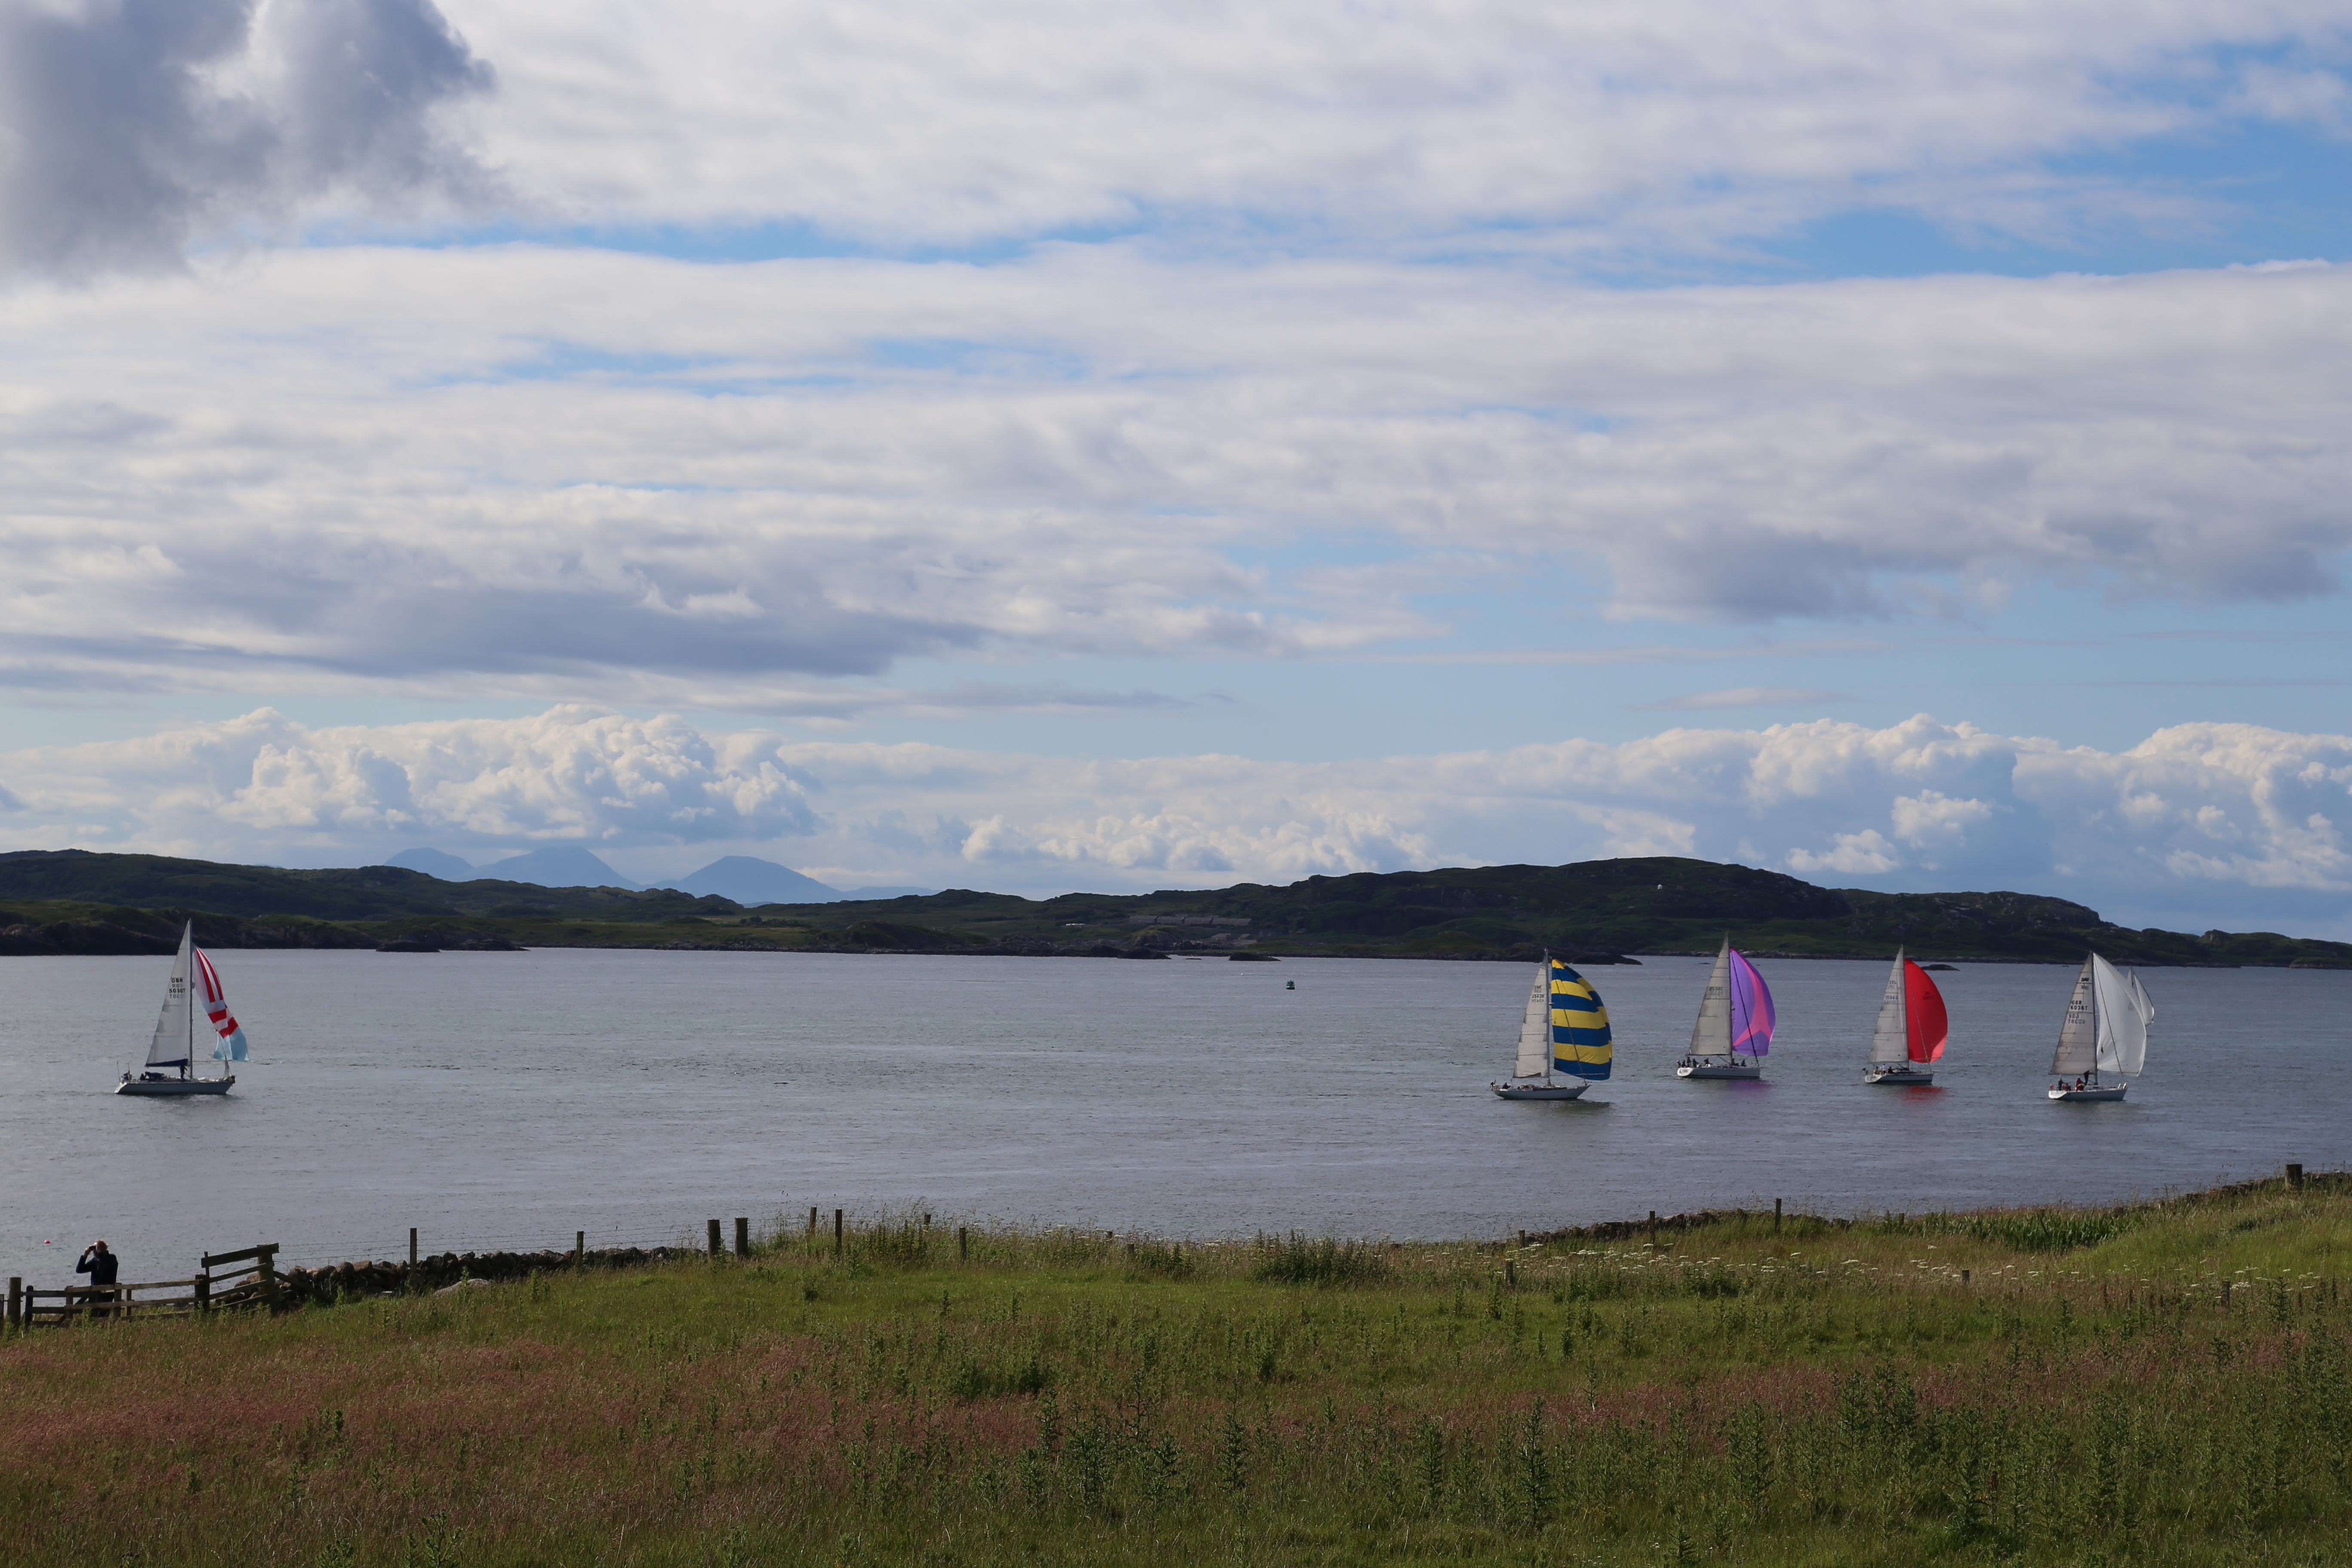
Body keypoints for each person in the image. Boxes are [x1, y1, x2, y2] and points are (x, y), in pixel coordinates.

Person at [75, 1240, 120, 1318]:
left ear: (104, 1249)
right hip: (95, 1293)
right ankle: (93, 1329)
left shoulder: (112, 1258)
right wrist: (85, 1256)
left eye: (97, 1248)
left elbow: (106, 1264)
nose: (95, 1251)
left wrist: (99, 1253)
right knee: (92, 1315)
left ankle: (104, 1328)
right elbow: (80, 1270)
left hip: (108, 1292)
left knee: (103, 1315)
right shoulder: (95, 1262)